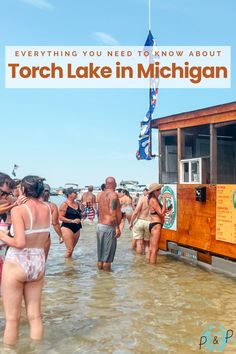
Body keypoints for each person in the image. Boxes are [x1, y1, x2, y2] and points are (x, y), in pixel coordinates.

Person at [0, 175, 51, 345]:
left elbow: (19, 242)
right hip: (38, 260)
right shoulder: (48, 208)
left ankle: (9, 351)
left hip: (17, 261)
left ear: (22, 190)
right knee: (35, 316)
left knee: (12, 320)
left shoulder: (19, 210)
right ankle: (37, 349)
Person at [97, 176, 122, 271]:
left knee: (101, 257)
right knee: (107, 259)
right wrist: (117, 228)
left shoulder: (101, 195)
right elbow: (112, 214)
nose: (116, 185)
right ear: (113, 184)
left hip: (100, 226)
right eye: (115, 183)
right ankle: (107, 282)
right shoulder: (113, 195)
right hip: (108, 227)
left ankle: (100, 279)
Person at [41, 183, 63, 260]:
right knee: (42, 262)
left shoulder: (31, 203)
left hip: (30, 235)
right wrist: (61, 236)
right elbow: (55, 223)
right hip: (44, 235)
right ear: (49, 193)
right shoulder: (52, 206)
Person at [59, 187, 82, 258]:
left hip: (77, 228)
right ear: (69, 194)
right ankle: (66, 267)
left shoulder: (78, 203)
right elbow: (60, 217)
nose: (76, 194)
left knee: (72, 250)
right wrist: (72, 221)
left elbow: (79, 214)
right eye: (75, 192)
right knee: (69, 249)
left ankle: (70, 265)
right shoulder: (65, 204)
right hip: (67, 227)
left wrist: (82, 215)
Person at [147, 183, 167, 265]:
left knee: (151, 248)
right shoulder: (154, 200)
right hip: (156, 225)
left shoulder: (151, 199)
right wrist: (165, 201)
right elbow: (161, 213)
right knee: (155, 249)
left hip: (153, 224)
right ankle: (152, 269)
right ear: (154, 191)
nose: (160, 191)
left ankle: (149, 266)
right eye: (158, 190)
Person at [129, 192, 151, 258]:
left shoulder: (142, 198)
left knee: (139, 243)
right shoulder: (154, 200)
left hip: (141, 221)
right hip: (149, 222)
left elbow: (136, 212)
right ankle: (147, 259)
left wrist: (131, 222)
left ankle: (139, 260)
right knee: (147, 243)